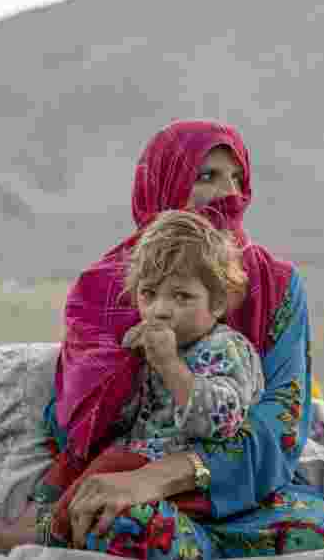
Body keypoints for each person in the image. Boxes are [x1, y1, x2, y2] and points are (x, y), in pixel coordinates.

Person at [0, 120, 324, 557]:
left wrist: (163, 475)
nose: (228, 193)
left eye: (237, 178)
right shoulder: (106, 291)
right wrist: (131, 368)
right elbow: (78, 428)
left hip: (239, 491)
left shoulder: (275, 286)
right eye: (206, 176)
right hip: (128, 481)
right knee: (110, 519)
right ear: (164, 184)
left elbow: (280, 427)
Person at [49, 209, 264, 544]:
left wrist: (169, 365)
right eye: (149, 294)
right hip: (137, 453)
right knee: (73, 459)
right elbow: (125, 416)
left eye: (181, 296)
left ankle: (50, 536)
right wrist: (126, 369)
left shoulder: (226, 347)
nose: (161, 309)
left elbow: (225, 421)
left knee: (111, 465)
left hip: (191, 473)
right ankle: (40, 519)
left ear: (218, 302)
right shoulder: (144, 341)